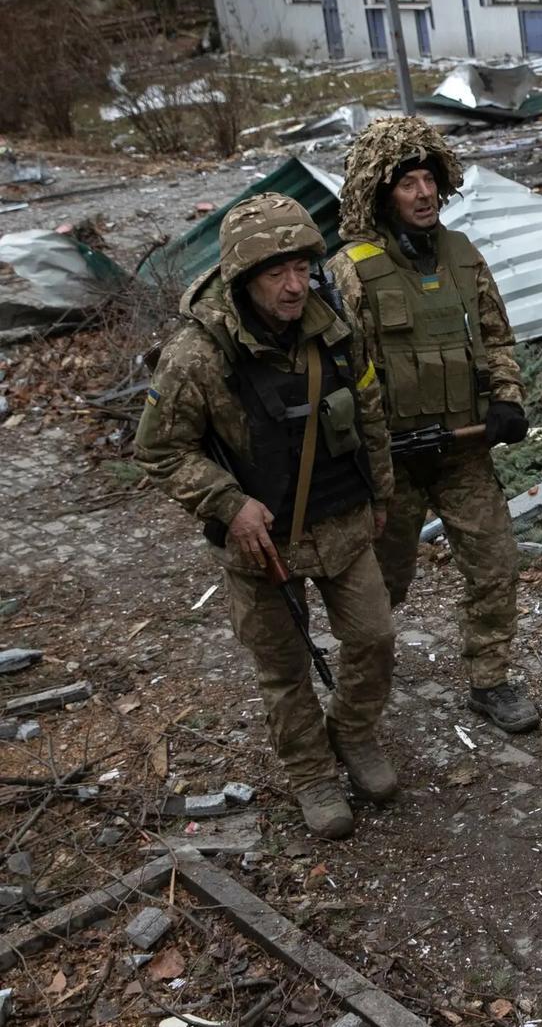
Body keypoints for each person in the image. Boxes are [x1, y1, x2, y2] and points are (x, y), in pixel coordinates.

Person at [136, 194, 399, 839]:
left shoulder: (332, 324)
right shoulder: (196, 355)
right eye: (275, 273)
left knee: (374, 638)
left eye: (303, 268)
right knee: (283, 671)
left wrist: (383, 496)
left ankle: (353, 734)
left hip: (342, 520)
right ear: (242, 276)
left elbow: (368, 412)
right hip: (262, 543)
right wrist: (228, 504)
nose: (293, 285)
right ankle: (311, 773)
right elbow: (159, 450)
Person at [328, 117, 538, 734]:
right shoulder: (353, 270)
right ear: (380, 193)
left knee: (496, 564)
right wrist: (365, 456)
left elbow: (497, 338)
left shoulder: (461, 255)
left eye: (429, 180)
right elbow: (346, 372)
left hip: (463, 451)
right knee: (382, 587)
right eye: (407, 183)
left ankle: (490, 680)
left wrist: (507, 399)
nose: (422, 194)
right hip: (392, 458)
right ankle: (359, 699)